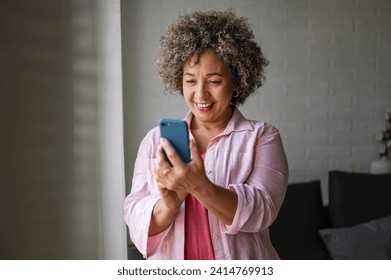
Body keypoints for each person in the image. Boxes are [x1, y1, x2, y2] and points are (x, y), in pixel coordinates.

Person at [124, 10, 289, 260]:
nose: (200, 95)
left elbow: (263, 211)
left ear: (236, 81)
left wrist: (200, 187)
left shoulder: (262, 137)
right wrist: (168, 204)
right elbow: (135, 218)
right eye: (190, 81)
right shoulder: (155, 141)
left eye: (214, 81)